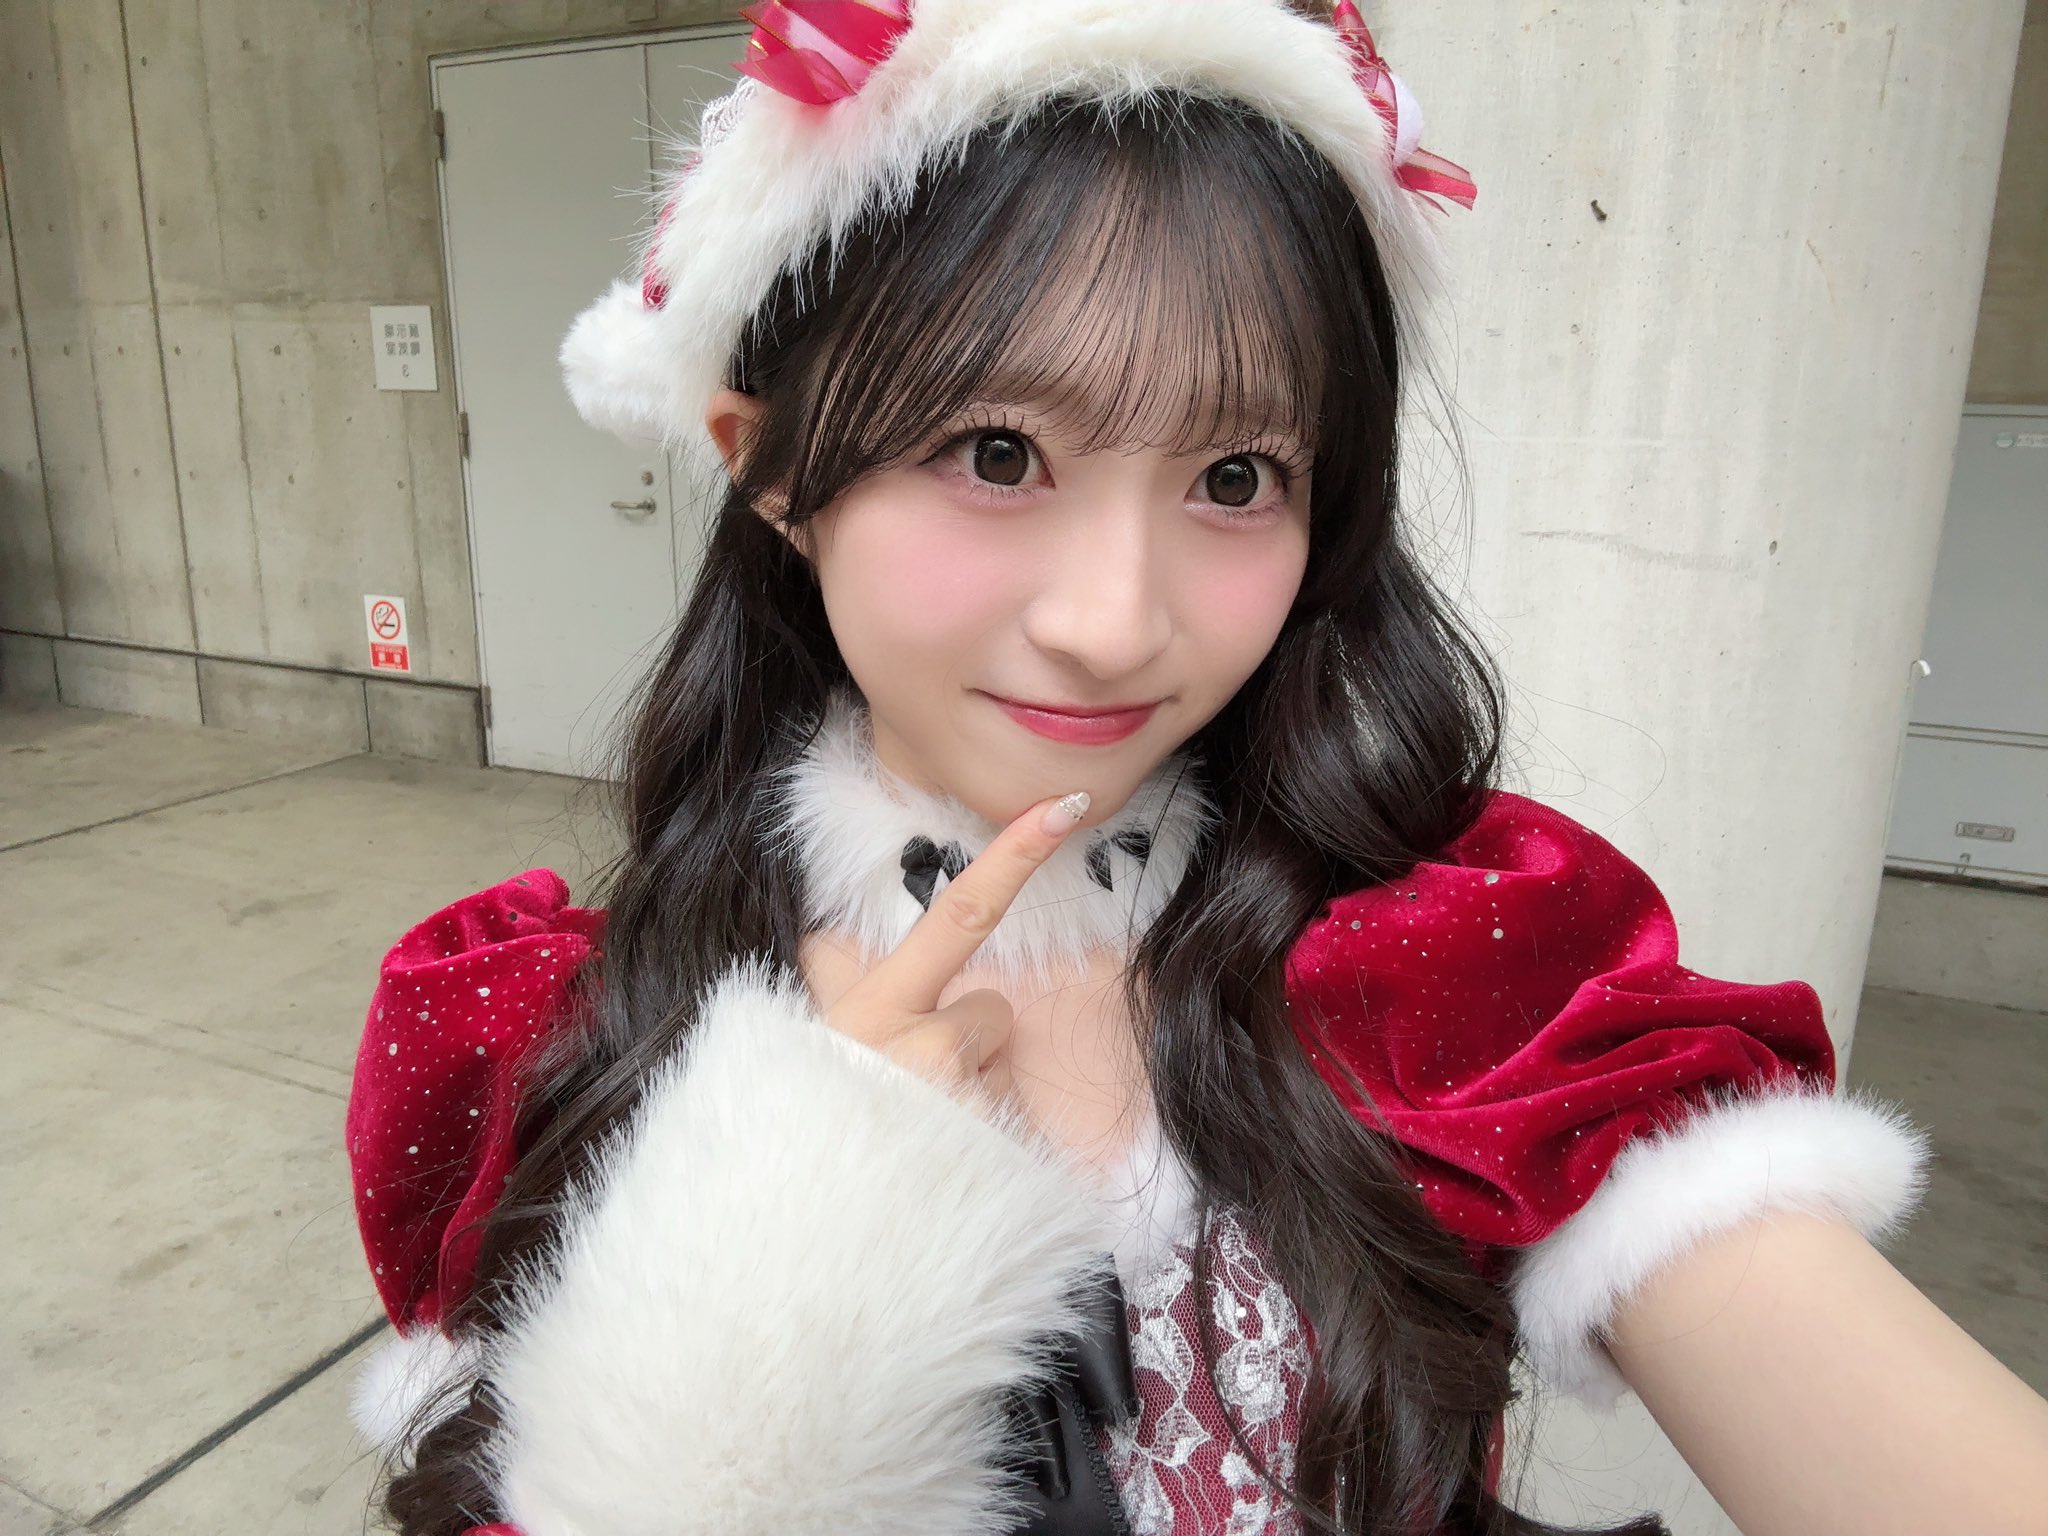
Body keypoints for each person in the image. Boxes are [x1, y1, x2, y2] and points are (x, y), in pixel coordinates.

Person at [343, 3, 2048, 1533]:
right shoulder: (560, 1033)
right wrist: (748, 1347)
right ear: (767, 465)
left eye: (1236, 477)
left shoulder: (1440, 971)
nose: (1113, 624)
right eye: (995, 450)